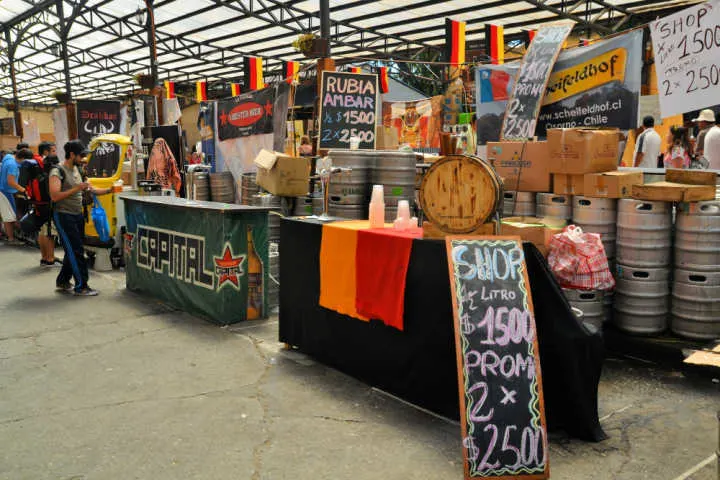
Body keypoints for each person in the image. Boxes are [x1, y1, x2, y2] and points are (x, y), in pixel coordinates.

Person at [49, 140, 112, 296]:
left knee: (73, 248)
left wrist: (110, 190)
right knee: (76, 250)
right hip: (63, 215)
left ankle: (63, 281)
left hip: (77, 215)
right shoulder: (57, 172)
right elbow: (55, 196)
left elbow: (90, 189)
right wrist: (78, 188)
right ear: (71, 155)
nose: (83, 158)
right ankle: (81, 286)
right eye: (81, 155)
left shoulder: (78, 170)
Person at [26, 141, 62, 266]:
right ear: (46, 152)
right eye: (53, 151)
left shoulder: (34, 162)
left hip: (37, 200)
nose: (55, 153)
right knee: (50, 231)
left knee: (42, 230)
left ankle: (44, 257)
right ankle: (50, 258)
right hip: (47, 201)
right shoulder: (45, 163)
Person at [0, 147, 32, 245]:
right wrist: (24, 190)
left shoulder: (9, 157)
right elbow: (11, 182)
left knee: (9, 214)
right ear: (23, 158)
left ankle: (11, 236)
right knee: (9, 217)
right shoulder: (13, 165)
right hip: (5, 191)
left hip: (5, 190)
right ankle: (11, 239)